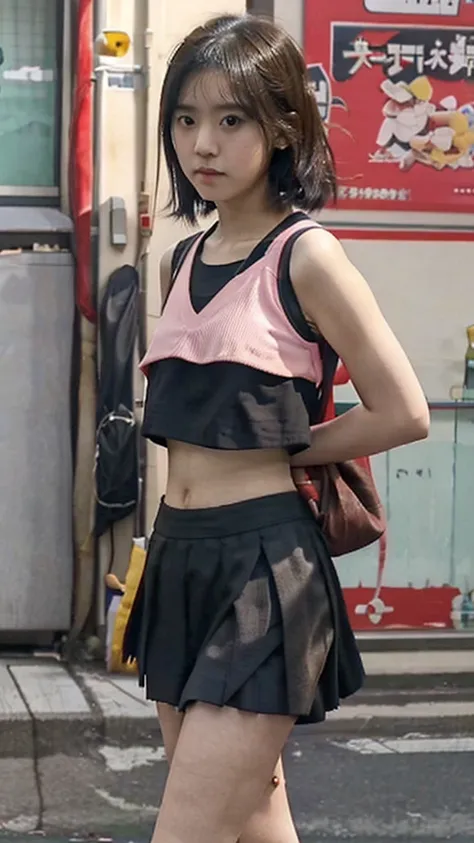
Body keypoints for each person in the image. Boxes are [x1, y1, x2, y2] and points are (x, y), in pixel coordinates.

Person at [124, 13, 430, 843]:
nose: (203, 143)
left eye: (231, 119)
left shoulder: (307, 255)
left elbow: (405, 409)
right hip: (180, 558)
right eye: (185, 120)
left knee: (187, 830)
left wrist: (297, 447)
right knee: (256, 823)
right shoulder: (179, 259)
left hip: (265, 569)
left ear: (283, 125)